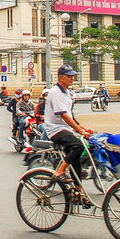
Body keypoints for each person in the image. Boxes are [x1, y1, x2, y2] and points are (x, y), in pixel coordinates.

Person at [45, 64, 93, 207]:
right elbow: (64, 116)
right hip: (55, 130)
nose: (72, 78)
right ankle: (60, 171)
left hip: (66, 129)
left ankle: (79, 193)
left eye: (73, 75)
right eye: (69, 76)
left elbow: (71, 116)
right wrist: (80, 131)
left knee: (77, 160)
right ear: (61, 78)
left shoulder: (67, 93)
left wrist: (83, 129)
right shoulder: (55, 92)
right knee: (77, 146)